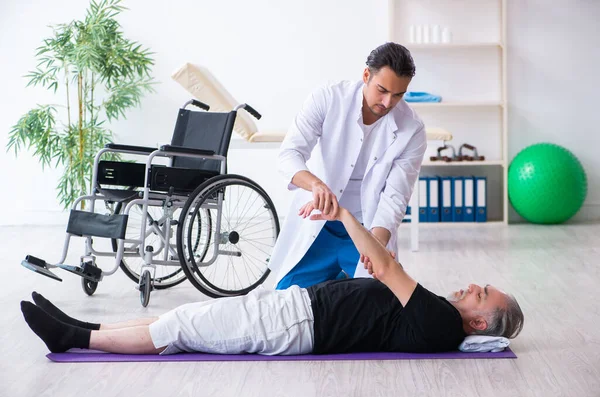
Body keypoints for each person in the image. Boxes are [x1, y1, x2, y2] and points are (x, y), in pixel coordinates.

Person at [21, 203, 524, 356]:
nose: (471, 287)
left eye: (482, 294)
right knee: (180, 318)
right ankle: (84, 326)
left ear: (481, 324)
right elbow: (384, 275)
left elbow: (388, 267)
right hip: (297, 311)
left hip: (294, 325)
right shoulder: (437, 314)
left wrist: (344, 213)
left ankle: (73, 339)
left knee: (179, 329)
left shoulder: (442, 322)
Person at [269, 42, 427, 290]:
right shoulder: (328, 98)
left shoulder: (412, 129)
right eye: (382, 90)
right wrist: (315, 185)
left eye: (398, 95)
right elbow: (289, 154)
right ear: (366, 75)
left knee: (376, 306)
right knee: (286, 300)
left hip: (367, 230)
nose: (387, 102)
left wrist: (376, 248)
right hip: (319, 224)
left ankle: (341, 283)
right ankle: (336, 282)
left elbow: (395, 196)